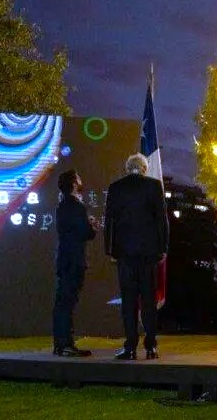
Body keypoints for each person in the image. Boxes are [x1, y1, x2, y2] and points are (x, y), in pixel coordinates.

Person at [104, 153, 168, 360]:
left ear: (127, 167)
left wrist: (110, 250)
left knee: (129, 301)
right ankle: (151, 346)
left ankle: (130, 347)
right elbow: (162, 221)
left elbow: (110, 222)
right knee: (148, 301)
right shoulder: (154, 186)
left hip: (124, 253)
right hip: (149, 254)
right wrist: (163, 248)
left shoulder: (116, 187)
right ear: (144, 168)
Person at [52, 169, 99, 357]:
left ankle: (60, 343)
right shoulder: (77, 207)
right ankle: (65, 344)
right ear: (73, 184)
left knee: (62, 302)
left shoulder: (61, 206)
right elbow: (85, 233)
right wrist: (92, 225)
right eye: (78, 179)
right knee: (68, 303)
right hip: (74, 261)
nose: (81, 181)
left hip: (64, 260)